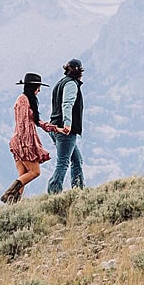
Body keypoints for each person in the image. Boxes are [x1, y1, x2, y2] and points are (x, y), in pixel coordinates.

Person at [1, 73, 54, 203]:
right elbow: (23, 124)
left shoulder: (26, 99)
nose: (39, 90)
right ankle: (9, 193)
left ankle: (13, 204)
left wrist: (52, 127)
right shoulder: (23, 100)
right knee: (35, 172)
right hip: (23, 142)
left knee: (23, 175)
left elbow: (34, 121)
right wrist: (26, 145)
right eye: (38, 87)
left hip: (20, 142)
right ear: (33, 87)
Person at [45, 58, 85, 193]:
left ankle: (78, 190)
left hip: (55, 127)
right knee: (63, 162)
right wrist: (67, 125)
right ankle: (54, 192)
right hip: (65, 130)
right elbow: (67, 104)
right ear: (79, 71)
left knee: (77, 160)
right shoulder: (71, 84)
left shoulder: (60, 83)